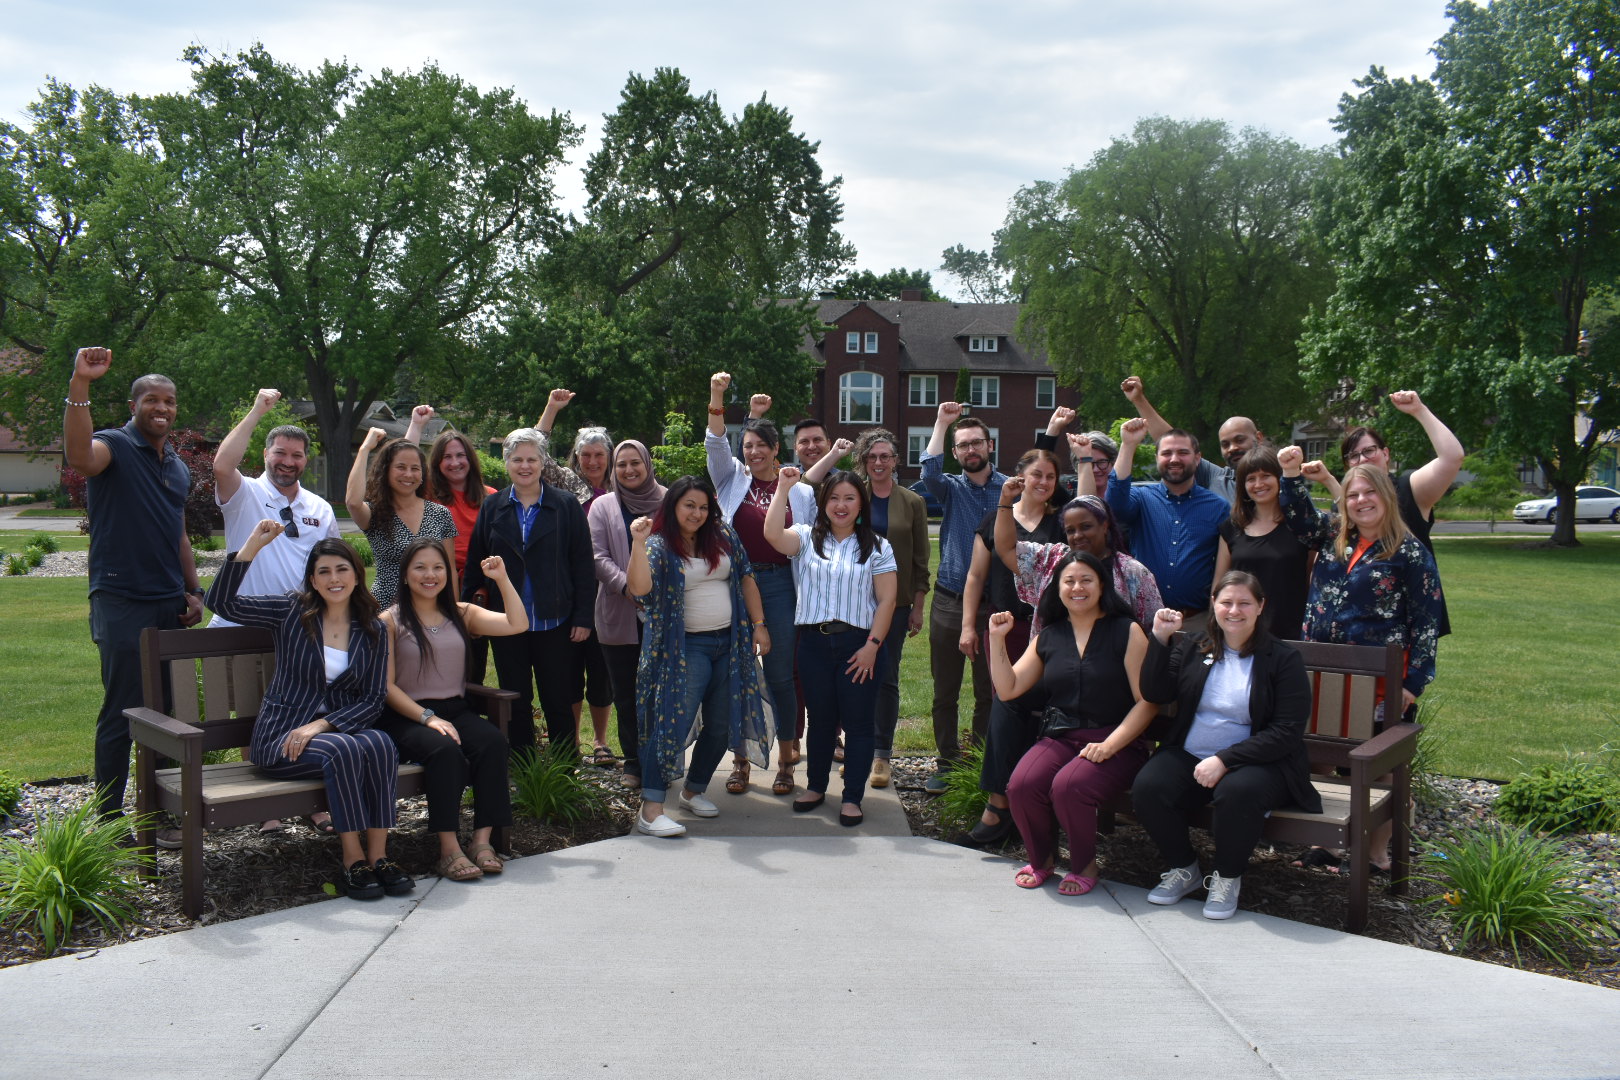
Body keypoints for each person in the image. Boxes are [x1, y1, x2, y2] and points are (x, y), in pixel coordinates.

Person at [206, 522, 407, 901]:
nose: (334, 579)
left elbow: (372, 699)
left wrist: (322, 724)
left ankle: (380, 857)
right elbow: (222, 603)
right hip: (281, 738)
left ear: (356, 574)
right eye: (324, 572)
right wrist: (252, 545)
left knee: (381, 742)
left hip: (327, 733)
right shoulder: (291, 611)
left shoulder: (372, 629)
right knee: (344, 749)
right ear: (313, 581)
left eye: (342, 569)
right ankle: (353, 860)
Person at [1278, 449, 1442, 872]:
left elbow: (1426, 622)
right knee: (1319, 754)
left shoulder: (1410, 553)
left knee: (1383, 768)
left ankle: (1376, 854)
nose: (1361, 501)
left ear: (1387, 495)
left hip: (1381, 682)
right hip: (1325, 672)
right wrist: (1292, 473)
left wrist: (1413, 684)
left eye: (1370, 492)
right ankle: (1328, 844)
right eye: (1353, 494)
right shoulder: (1333, 536)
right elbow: (1297, 518)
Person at [62, 347, 203, 830]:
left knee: (165, 710)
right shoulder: (114, 446)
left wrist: (194, 591)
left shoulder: (177, 467)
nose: (161, 409)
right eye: (151, 401)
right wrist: (80, 383)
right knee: (124, 709)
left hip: (168, 602)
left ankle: (160, 813)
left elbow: (179, 533)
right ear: (133, 406)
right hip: (121, 600)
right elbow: (80, 457)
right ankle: (109, 820)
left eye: (169, 402)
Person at [977, 486, 1162, 845]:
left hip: (1110, 684)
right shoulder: (1055, 561)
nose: (1078, 535)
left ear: (1106, 526)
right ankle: (1000, 799)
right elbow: (1006, 549)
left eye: (1086, 527)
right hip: (1054, 669)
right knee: (1008, 700)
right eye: (1071, 529)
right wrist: (1004, 502)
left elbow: (1154, 632)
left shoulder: (1133, 573)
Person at [1133, 573, 1321, 920]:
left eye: (1244, 603)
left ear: (1260, 607)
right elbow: (1155, 693)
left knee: (1238, 792)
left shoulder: (1283, 658)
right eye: (1226, 602)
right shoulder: (1194, 645)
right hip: (1191, 754)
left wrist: (1225, 759)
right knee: (1148, 786)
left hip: (1262, 763)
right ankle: (1184, 869)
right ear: (1214, 606)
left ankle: (1226, 877)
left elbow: (1286, 732)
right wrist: (1159, 640)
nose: (1234, 610)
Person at [210, 388, 343, 836]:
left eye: (297, 455)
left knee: (303, 711)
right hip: (241, 624)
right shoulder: (243, 493)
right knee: (253, 715)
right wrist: (256, 410)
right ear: (265, 454)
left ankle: (310, 802)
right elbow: (221, 465)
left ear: (306, 460)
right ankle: (266, 807)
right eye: (280, 453)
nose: (288, 461)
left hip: (298, 630)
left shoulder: (318, 507)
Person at [989, 551, 1156, 895]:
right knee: (1021, 785)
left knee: (1068, 786)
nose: (1077, 587)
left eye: (1086, 580)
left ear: (1101, 586)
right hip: (1061, 736)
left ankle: (1083, 865)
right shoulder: (1050, 636)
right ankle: (1041, 860)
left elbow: (1147, 702)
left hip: (1116, 740)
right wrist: (996, 639)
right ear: (1058, 588)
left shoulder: (1127, 631)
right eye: (1069, 581)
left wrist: (1110, 745)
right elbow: (1008, 689)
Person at [626, 478, 770, 837]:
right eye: (689, 505)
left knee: (722, 723)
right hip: (684, 648)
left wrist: (759, 624)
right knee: (670, 724)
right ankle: (652, 809)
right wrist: (637, 544)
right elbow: (640, 590)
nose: (697, 513)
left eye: (703, 507)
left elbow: (746, 577)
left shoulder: (721, 535)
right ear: (673, 506)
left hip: (730, 644)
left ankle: (693, 790)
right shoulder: (658, 545)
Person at [377, 541, 528, 881]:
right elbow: (386, 688)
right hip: (408, 715)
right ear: (404, 575)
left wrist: (501, 579)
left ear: (448, 573)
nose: (429, 575)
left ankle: (481, 842)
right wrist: (427, 717)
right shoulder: (389, 620)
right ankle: (448, 849)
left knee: (491, 742)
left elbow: (517, 624)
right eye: (420, 567)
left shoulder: (463, 613)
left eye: (438, 567)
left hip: (455, 709)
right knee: (445, 751)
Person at [763, 466, 897, 827]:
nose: (841, 505)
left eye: (849, 498)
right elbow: (772, 534)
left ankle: (852, 796)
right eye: (834, 498)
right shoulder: (806, 538)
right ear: (823, 503)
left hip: (859, 645)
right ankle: (816, 786)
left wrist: (872, 645)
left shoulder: (878, 545)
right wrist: (783, 488)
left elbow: (886, 601)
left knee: (857, 723)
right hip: (814, 645)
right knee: (820, 721)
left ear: (860, 503)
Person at [704, 372, 817, 793]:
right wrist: (718, 394)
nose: (752, 452)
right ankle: (742, 759)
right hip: (733, 586)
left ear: (774, 450)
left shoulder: (800, 492)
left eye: (759, 446)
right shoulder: (731, 479)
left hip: (781, 586)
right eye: (747, 446)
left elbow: (808, 544)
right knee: (740, 673)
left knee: (781, 676)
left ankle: (787, 760)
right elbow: (716, 442)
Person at [802, 429, 929, 789]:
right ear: (862, 460)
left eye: (885, 456)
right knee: (846, 680)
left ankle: (879, 754)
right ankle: (852, 749)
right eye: (872, 456)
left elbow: (921, 560)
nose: (878, 462)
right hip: (851, 607)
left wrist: (918, 606)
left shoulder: (913, 502)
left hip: (895, 603)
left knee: (884, 678)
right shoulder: (851, 494)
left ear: (895, 460)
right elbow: (809, 491)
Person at [461, 428, 596, 758]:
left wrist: (582, 617)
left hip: (555, 620)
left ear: (543, 462)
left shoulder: (565, 506)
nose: (525, 466)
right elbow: (475, 564)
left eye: (532, 459)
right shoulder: (492, 507)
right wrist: (467, 615)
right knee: (515, 697)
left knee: (558, 697)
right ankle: (523, 765)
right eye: (517, 459)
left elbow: (582, 566)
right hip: (507, 624)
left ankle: (565, 768)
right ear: (506, 463)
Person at [920, 401, 1008, 792]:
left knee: (990, 689)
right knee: (945, 691)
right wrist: (941, 422)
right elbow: (928, 470)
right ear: (956, 453)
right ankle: (946, 759)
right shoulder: (950, 489)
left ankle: (980, 761)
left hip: (997, 605)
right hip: (949, 600)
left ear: (989, 446)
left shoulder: (1010, 489)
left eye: (977, 443)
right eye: (963, 446)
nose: (971, 450)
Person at [1324, 391, 1463, 637]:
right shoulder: (1346, 506)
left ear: (1385, 454)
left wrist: (1419, 410)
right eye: (1353, 456)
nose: (1362, 459)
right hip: (1357, 624)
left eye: (1369, 451)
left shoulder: (1410, 488)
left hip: (1407, 622)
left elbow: (1452, 457)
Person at [536, 388, 618, 761]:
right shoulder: (568, 482)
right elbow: (536, 448)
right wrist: (552, 408)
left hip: (611, 592)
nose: (592, 461)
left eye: (599, 454)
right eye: (586, 454)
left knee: (601, 675)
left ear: (609, 456)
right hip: (570, 591)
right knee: (570, 673)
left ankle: (601, 742)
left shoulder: (623, 486)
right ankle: (571, 742)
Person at [588, 439, 666, 789]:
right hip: (618, 615)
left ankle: (663, 760)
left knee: (663, 692)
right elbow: (596, 556)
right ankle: (634, 762)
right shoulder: (603, 506)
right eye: (621, 465)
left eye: (636, 463)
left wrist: (656, 590)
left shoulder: (668, 500)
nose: (629, 470)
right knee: (627, 694)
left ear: (648, 464)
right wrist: (628, 587)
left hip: (665, 615)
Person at [1106, 418, 1229, 633]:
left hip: (1195, 622)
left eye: (1183, 452)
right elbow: (1114, 505)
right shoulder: (1141, 499)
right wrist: (1128, 445)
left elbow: (1225, 564)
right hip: (1143, 619)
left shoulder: (1218, 507)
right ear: (1157, 458)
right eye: (1166, 453)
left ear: (1197, 458)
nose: (1174, 459)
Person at [346, 426, 457, 610]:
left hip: (430, 610)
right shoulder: (375, 513)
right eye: (400, 467)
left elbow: (450, 570)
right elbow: (353, 502)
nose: (408, 474)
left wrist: (453, 611)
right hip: (385, 609)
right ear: (386, 471)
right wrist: (364, 449)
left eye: (415, 468)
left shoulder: (440, 514)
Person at [1212, 446, 1313, 640]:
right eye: (1251, 479)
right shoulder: (1231, 528)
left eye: (1265, 476)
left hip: (1290, 636)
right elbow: (1219, 584)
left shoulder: (1301, 526)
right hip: (1241, 635)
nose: (1258, 484)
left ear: (1279, 478)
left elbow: (1309, 579)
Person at [1120, 374, 1266, 504]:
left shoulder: (1282, 477)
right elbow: (1172, 440)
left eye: (1240, 440)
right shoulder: (1216, 478)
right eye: (1225, 444)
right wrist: (1138, 400)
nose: (1233, 448)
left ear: (1258, 438)